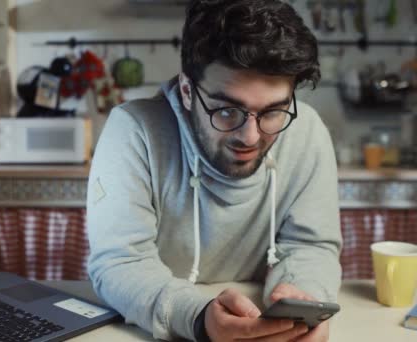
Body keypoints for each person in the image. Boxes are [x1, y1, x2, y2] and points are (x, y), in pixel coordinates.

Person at [86, 0, 342, 341]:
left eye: (273, 111)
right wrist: (198, 318)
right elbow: (119, 262)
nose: (250, 136)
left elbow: (312, 246)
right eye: (226, 110)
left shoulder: (307, 131)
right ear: (189, 90)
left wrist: (302, 299)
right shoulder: (132, 131)